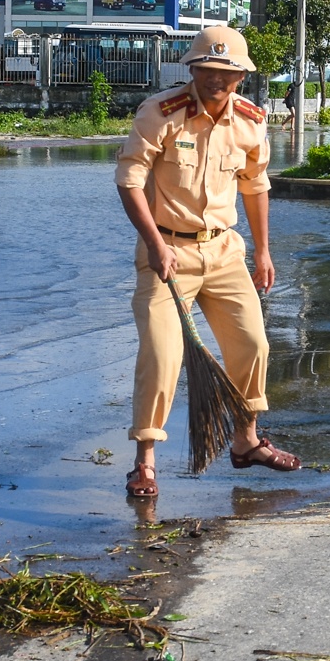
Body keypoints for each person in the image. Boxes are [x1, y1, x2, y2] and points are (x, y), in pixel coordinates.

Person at [114, 25, 300, 499]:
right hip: (167, 254)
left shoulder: (249, 120)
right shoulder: (161, 114)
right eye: (208, 69)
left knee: (253, 345)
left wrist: (262, 250)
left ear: (241, 76)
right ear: (193, 69)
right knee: (162, 356)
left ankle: (246, 440)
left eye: (228, 71)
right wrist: (155, 244)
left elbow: (256, 186)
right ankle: (146, 462)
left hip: (224, 251)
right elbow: (129, 180)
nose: (217, 79)